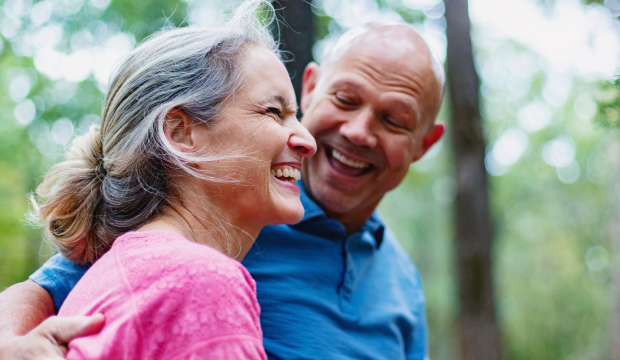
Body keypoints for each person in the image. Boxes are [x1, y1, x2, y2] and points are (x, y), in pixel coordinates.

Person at [0, 20, 445, 360]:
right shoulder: (236, 208)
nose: (359, 131)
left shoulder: (402, 282)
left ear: (425, 143)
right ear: (310, 88)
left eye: (394, 121)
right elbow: (56, 287)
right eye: (345, 100)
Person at [0, 1, 318, 359]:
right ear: (180, 133)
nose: (308, 140)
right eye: (273, 112)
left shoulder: (114, 277)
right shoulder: (201, 283)